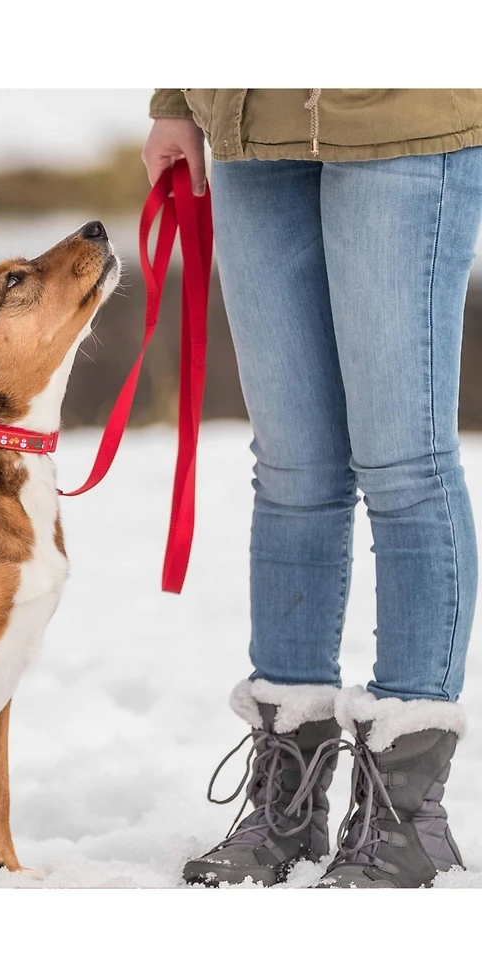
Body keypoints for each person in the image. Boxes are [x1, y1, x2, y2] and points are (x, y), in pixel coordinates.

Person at [142, 89, 482, 888]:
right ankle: (287, 805)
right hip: (251, 124)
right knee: (294, 471)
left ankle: (404, 818)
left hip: (403, 117)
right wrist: (175, 97)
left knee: (404, 465)